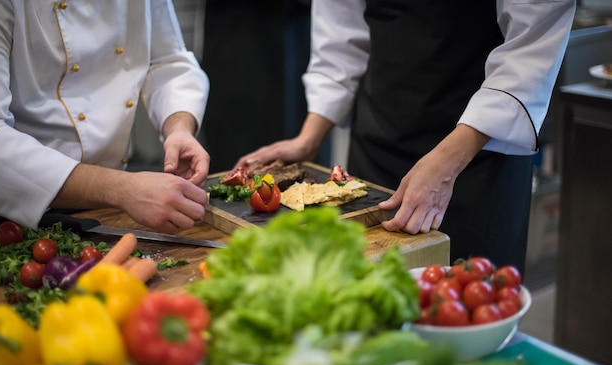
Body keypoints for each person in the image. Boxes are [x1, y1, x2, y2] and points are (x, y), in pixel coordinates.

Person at [235, 0, 576, 272]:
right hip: (378, 142)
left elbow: (531, 44)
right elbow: (340, 41)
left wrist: (447, 161)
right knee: (366, 301)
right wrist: (308, 139)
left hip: (478, 152)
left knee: (467, 318)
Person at [0, 0, 210, 234]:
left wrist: (178, 130)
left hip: (110, 209)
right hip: (10, 215)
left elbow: (168, 62)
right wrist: (123, 189)